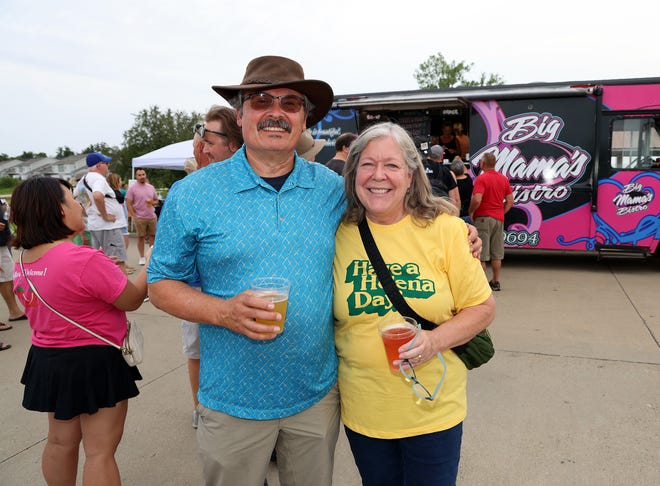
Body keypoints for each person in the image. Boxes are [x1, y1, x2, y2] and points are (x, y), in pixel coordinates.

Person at [147, 55, 346, 486]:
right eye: (261, 101)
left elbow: (393, 219)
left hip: (315, 395)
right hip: (231, 400)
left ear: (303, 120)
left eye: (290, 103)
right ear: (240, 115)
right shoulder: (192, 193)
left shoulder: (331, 188)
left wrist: (455, 229)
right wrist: (223, 312)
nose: (276, 112)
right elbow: (160, 284)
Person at [333, 122, 495, 486]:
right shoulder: (337, 232)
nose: (379, 176)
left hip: (433, 411)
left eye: (391, 165)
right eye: (367, 165)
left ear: (410, 175)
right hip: (365, 411)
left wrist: (434, 342)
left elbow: (482, 308)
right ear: (353, 172)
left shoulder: (447, 231)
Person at [10, 176, 149, 486]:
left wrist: (103, 271)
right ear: (59, 212)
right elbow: (132, 299)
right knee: (100, 452)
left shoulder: (23, 260)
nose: (81, 205)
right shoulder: (83, 258)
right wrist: (149, 266)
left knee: (60, 442)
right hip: (93, 361)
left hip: (47, 360)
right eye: (73, 200)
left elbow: (63, 288)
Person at [183, 106, 243, 429]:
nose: (202, 146)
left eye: (209, 139)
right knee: (196, 350)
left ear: (234, 145)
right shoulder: (192, 190)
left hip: (240, 293)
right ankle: (201, 408)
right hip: (195, 289)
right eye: (200, 140)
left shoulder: (252, 188)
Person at [75, 152, 128, 273]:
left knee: (100, 261)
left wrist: (88, 213)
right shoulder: (98, 178)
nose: (108, 166)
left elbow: (78, 200)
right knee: (117, 261)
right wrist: (105, 216)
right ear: (99, 166)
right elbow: (98, 196)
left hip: (95, 226)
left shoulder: (83, 181)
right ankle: (123, 290)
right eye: (106, 163)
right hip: (108, 227)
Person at [469, 152, 514, 291]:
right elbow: (510, 201)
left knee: (481, 254)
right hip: (498, 218)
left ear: (483, 164)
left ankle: (481, 284)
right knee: (497, 253)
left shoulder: (481, 179)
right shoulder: (503, 179)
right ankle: (495, 281)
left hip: (483, 218)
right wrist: (501, 211)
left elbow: (477, 199)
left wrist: (471, 212)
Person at [126, 168, 159, 266]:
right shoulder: (132, 188)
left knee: (153, 236)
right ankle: (141, 257)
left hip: (151, 216)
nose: (142, 177)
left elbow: (156, 201)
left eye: (143, 174)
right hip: (139, 217)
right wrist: (133, 215)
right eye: (139, 175)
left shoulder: (151, 187)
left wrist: (152, 202)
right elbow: (129, 203)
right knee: (140, 237)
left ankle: (151, 256)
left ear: (146, 175)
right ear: (136, 177)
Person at [107, 173, 133, 274]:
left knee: (123, 246)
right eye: (120, 180)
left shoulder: (118, 193)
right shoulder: (113, 194)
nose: (121, 182)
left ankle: (123, 264)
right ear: (116, 181)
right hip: (119, 224)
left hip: (122, 222)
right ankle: (120, 268)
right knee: (120, 246)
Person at [423, 145, 460, 209]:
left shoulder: (419, 169)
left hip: (421, 210)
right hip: (441, 210)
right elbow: (455, 199)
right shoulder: (447, 172)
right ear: (442, 157)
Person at [450, 158, 474, 222]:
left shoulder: (453, 184)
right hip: (467, 213)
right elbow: (465, 169)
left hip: (457, 214)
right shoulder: (468, 179)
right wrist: (459, 160)